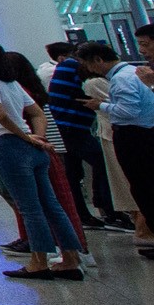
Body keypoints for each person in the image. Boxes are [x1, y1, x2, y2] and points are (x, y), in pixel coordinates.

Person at [0, 35, 78, 281]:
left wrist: (25, 137)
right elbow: (36, 112)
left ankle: (38, 261)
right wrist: (36, 138)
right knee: (51, 205)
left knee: (29, 207)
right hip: (30, 147)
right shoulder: (10, 82)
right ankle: (71, 258)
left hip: (8, 145)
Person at [49, 42, 120, 231]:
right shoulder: (78, 70)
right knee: (104, 162)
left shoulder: (65, 68)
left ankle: (84, 214)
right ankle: (110, 212)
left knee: (73, 171)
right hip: (74, 126)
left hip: (66, 125)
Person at [103, 35, 154, 257]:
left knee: (144, 185)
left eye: (145, 44)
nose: (141, 50)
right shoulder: (140, 74)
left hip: (137, 135)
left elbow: (129, 111)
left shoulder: (126, 77)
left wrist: (101, 105)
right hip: (142, 133)